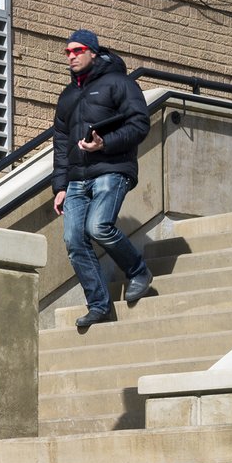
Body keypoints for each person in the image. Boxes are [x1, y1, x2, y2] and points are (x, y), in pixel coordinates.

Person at [51, 28, 152, 332]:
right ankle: (99, 305)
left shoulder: (120, 83)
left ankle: (138, 271)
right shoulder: (68, 96)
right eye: (68, 52)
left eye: (78, 50)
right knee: (73, 240)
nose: (72, 56)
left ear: (93, 52)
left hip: (112, 168)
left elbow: (140, 124)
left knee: (98, 226)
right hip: (78, 179)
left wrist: (104, 144)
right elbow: (60, 143)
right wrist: (60, 186)